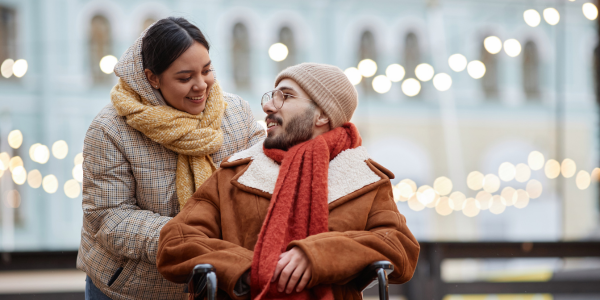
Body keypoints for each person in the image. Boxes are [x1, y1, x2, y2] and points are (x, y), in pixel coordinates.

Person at [157, 63, 420, 300]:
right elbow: (175, 242)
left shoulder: (366, 181)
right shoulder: (234, 175)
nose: (269, 106)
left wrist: (319, 255)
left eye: (286, 96)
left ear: (322, 115)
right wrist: (251, 268)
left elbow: (400, 246)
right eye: (272, 96)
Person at [77, 17, 265, 300]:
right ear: (153, 78)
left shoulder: (236, 114)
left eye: (207, 70)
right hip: (132, 288)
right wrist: (190, 241)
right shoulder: (110, 129)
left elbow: (261, 185)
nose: (201, 85)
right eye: (185, 78)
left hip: (216, 283)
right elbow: (110, 217)